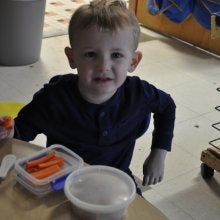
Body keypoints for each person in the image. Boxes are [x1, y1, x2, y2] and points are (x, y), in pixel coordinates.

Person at [0, 0, 175, 194]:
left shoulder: (139, 94)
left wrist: (159, 152)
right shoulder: (54, 98)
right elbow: (21, 132)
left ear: (133, 62)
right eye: (91, 55)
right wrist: (8, 132)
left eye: (116, 55)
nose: (103, 66)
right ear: (72, 58)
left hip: (116, 184)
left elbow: (167, 106)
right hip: (62, 186)